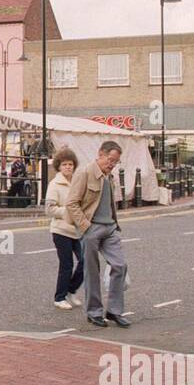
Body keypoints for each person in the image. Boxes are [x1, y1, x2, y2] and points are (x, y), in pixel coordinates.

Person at [70, 140, 129, 328]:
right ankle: (94, 312)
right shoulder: (85, 173)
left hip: (110, 228)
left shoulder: (109, 176)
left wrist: (114, 223)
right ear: (100, 154)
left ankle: (114, 311)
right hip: (91, 228)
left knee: (120, 265)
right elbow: (72, 203)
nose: (111, 165)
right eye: (110, 160)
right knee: (92, 271)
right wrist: (85, 227)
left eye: (115, 162)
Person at [44, 147, 85, 311]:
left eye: (70, 164)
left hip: (78, 230)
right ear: (59, 167)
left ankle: (71, 290)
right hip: (61, 230)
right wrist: (68, 212)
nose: (68, 167)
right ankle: (59, 297)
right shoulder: (54, 184)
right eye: (65, 164)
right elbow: (49, 209)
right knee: (66, 265)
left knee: (85, 262)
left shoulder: (78, 182)